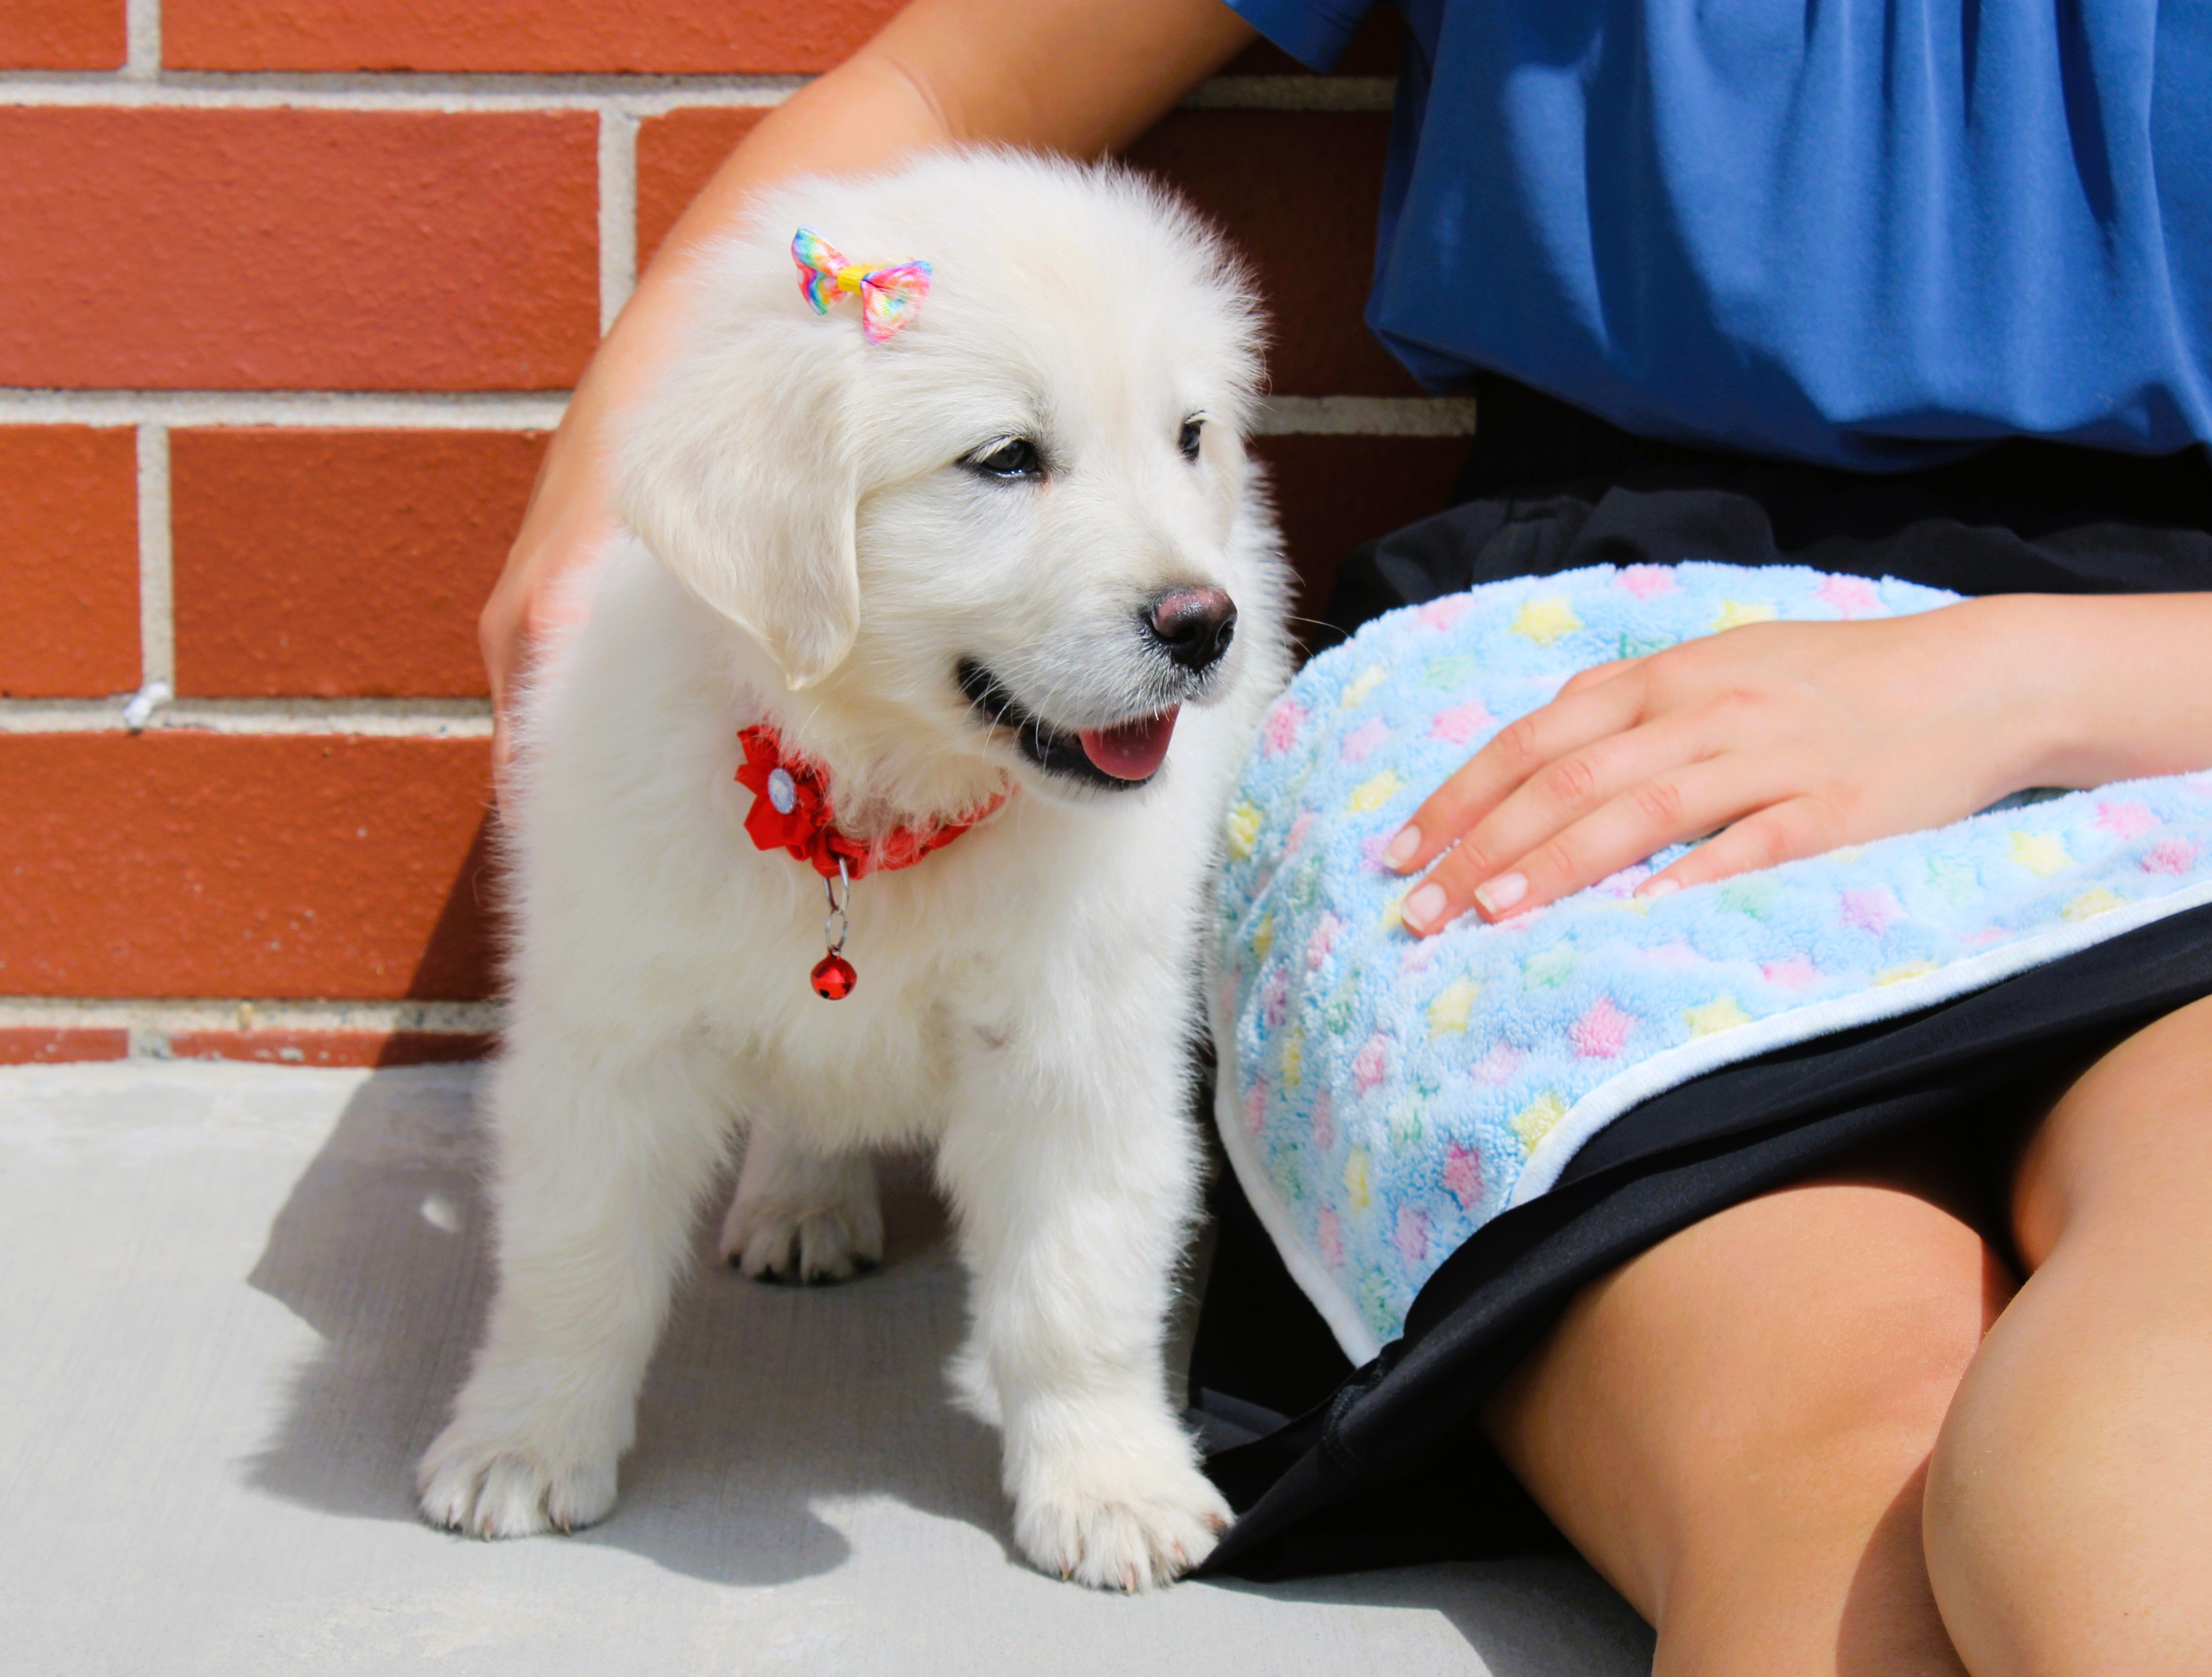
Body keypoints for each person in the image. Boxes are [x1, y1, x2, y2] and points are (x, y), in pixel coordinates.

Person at [479, 1, 2212, 1669]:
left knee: (2150, 1461)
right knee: (1839, 1491)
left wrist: (2012, 678)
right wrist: (616, 475)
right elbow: (943, 93)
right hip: (1573, 693)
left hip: (2175, 710)